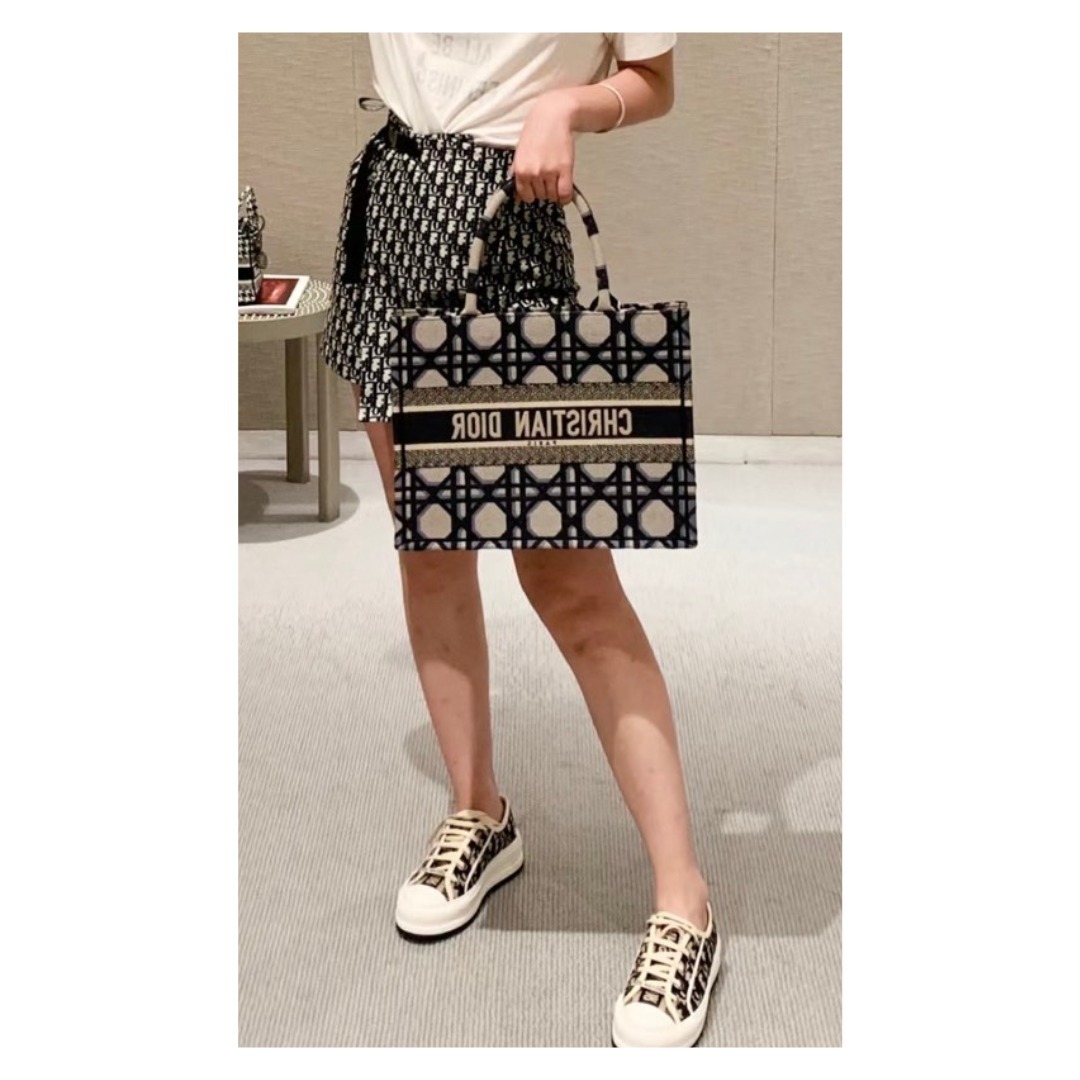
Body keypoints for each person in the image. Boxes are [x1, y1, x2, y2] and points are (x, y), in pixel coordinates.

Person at [322, 33, 720, 1049]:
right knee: (427, 550)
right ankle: (478, 810)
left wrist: (566, 107)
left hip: (511, 226)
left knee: (571, 586)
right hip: (393, 212)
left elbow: (654, 77)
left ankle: (685, 902)